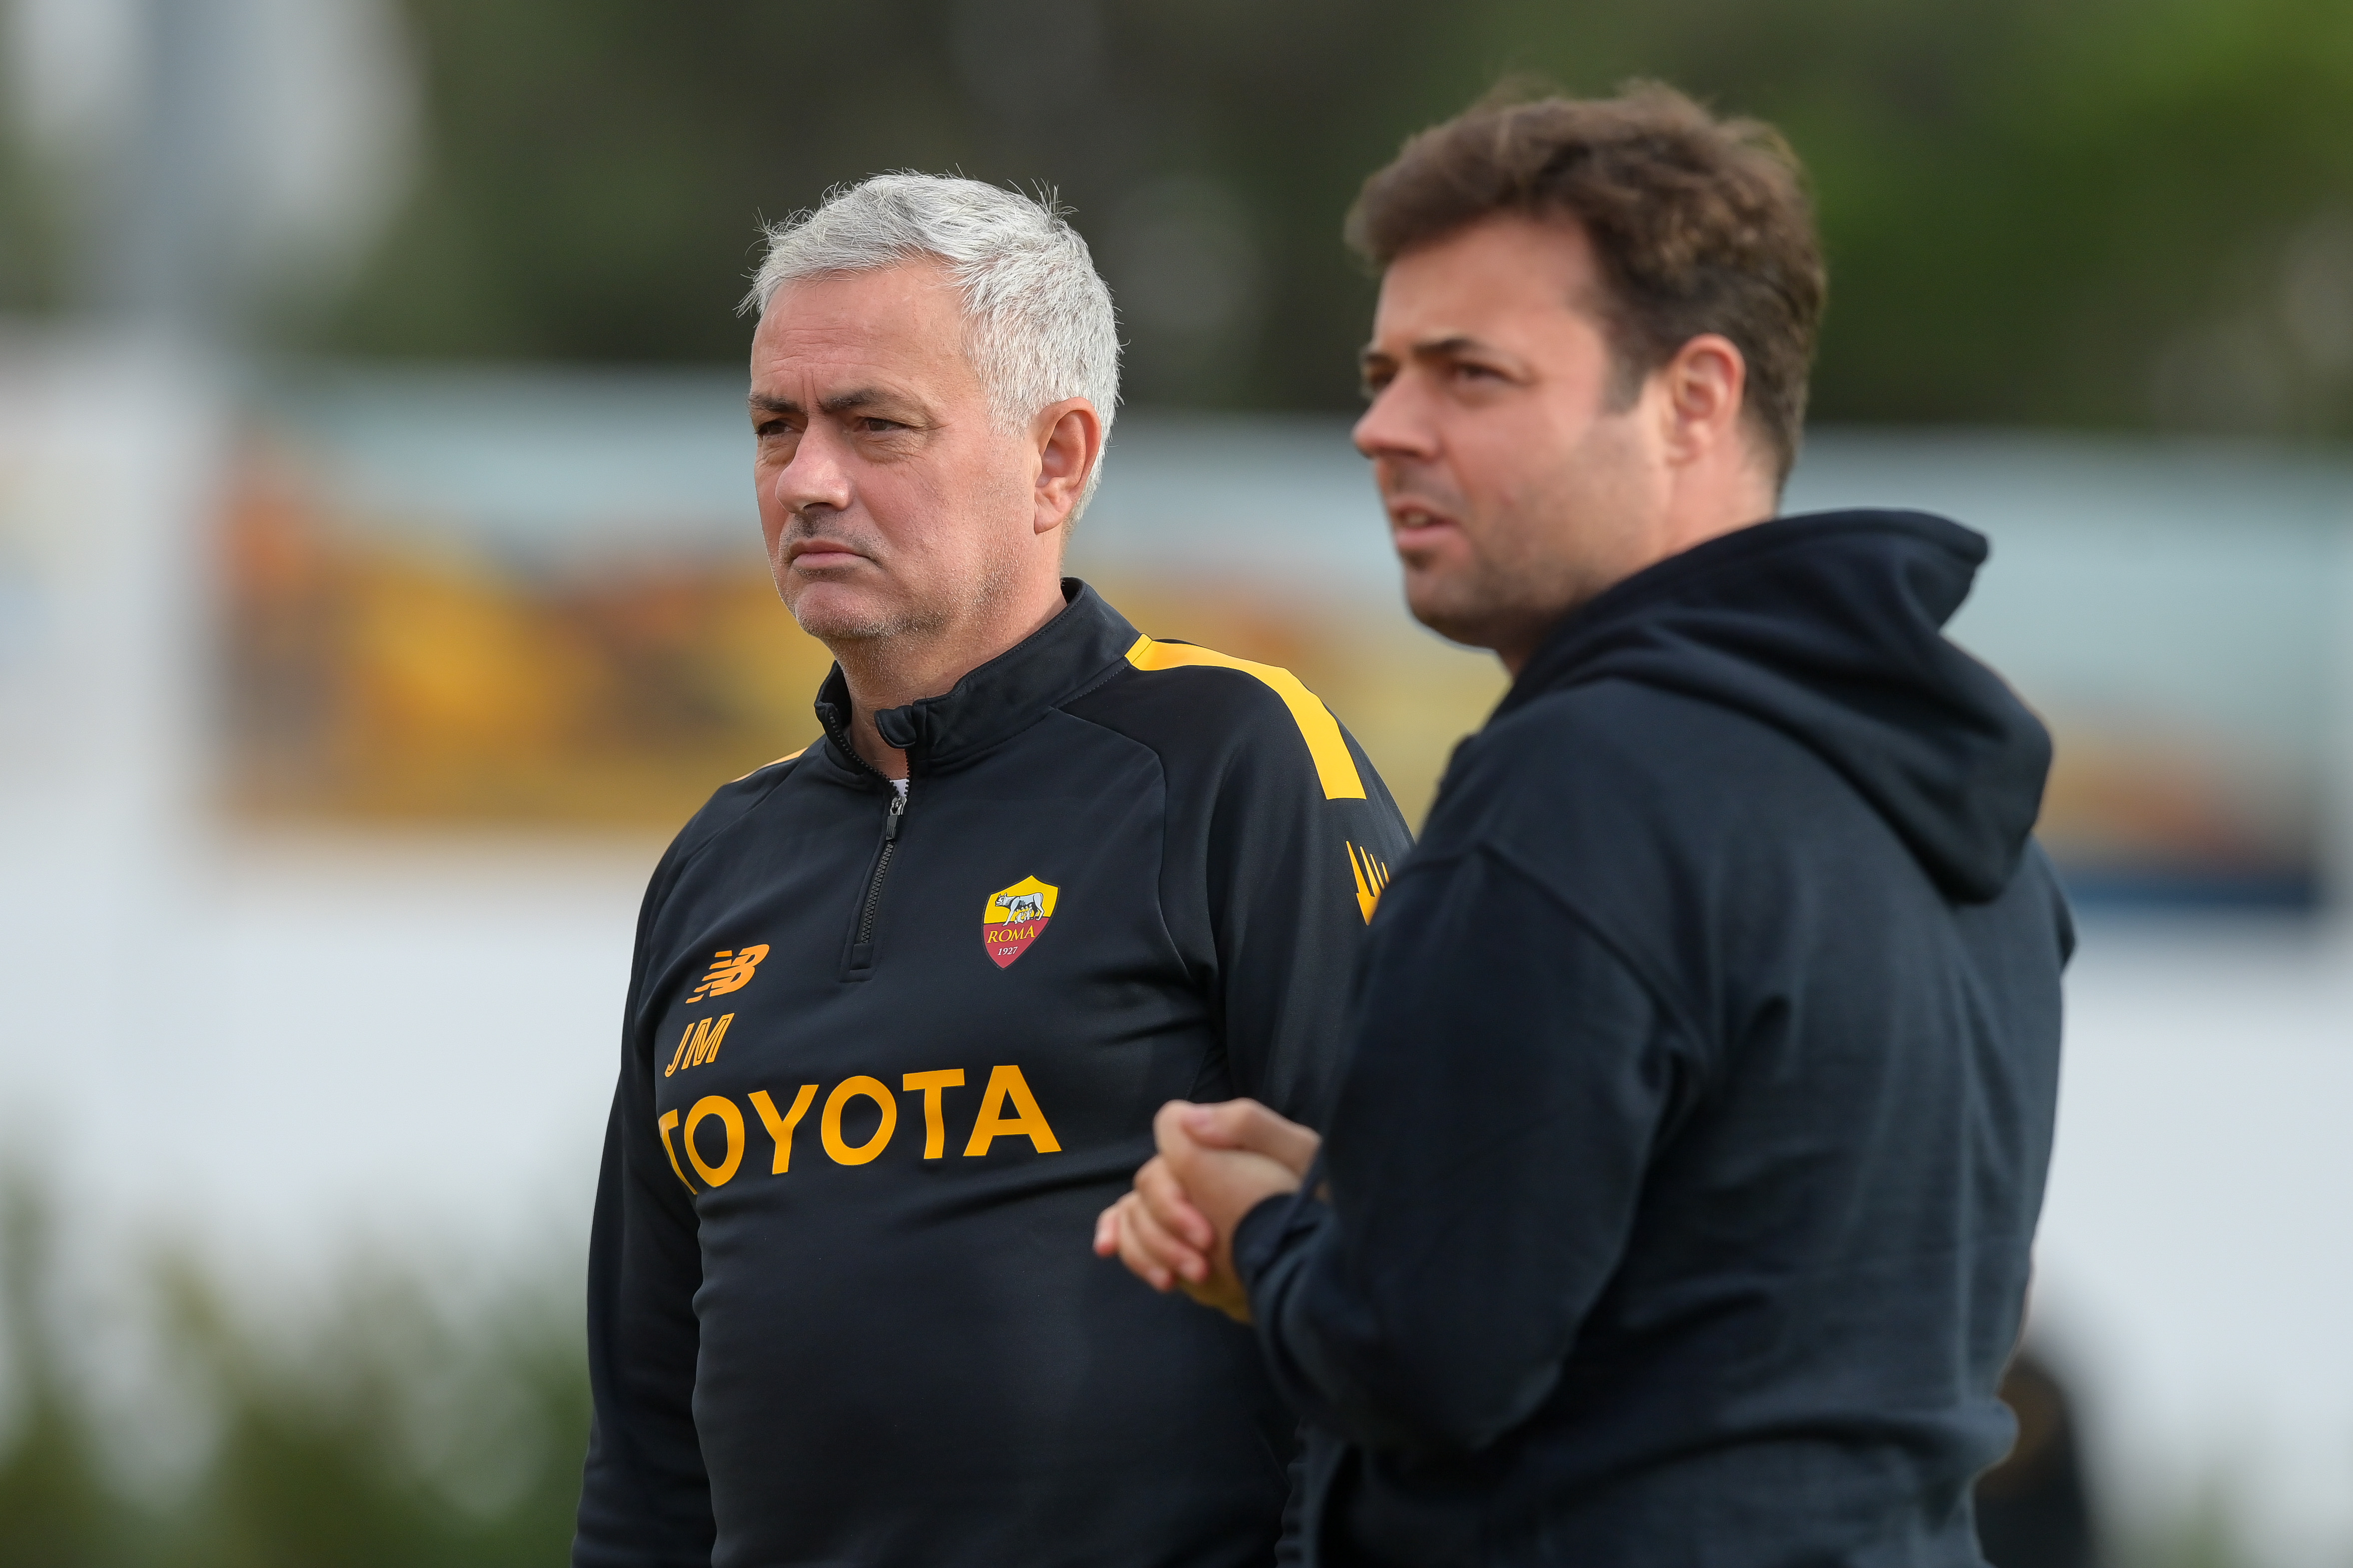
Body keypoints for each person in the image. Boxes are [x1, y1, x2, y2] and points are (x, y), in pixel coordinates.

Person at [1100, 85, 2073, 1567]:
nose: (1381, 426)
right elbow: (1737, 1322)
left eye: (1468, 374)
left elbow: (1414, 1356)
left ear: (1691, 398)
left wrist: (1255, 1232)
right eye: (1379, 370)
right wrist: (1368, 1203)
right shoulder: (1957, 807)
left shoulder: (1580, 786)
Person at [573, 175, 1414, 1568]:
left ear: (1058, 459)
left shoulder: (1230, 757)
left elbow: (1395, 1281)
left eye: (875, 425)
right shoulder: (720, 857)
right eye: (774, 426)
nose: (807, 480)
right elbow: (648, 1433)